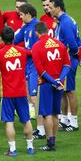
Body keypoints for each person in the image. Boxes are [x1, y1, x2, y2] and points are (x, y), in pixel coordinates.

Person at [0, 26, 34, 156]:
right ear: (14, 38)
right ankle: (30, 147)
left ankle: (13, 150)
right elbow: (32, 53)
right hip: (21, 92)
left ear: (2, 39)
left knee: (9, 121)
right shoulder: (22, 51)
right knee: (26, 119)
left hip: (7, 94)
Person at [32, 21, 71, 151]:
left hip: (46, 84)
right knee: (55, 113)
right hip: (59, 84)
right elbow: (67, 65)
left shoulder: (37, 46)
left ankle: (49, 143)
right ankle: (53, 140)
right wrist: (59, 79)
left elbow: (40, 70)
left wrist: (53, 81)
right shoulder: (59, 44)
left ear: (37, 33)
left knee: (47, 114)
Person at [50, 0, 81, 131]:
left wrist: (72, 57)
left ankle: (74, 122)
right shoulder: (62, 21)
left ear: (58, 8)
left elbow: (73, 44)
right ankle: (64, 120)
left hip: (68, 61)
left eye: (52, 7)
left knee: (70, 90)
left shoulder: (65, 22)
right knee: (63, 90)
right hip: (64, 60)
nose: (50, 10)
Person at [13, 3, 42, 135]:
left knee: (34, 94)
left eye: (22, 15)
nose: (20, 17)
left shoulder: (37, 27)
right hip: (27, 64)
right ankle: (34, 121)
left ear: (29, 15)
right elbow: (14, 40)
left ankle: (39, 126)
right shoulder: (26, 27)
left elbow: (39, 49)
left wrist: (24, 52)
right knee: (29, 92)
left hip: (36, 65)